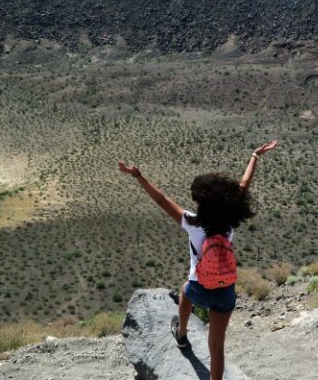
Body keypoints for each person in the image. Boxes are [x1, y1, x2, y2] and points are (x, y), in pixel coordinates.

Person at [118, 139, 278, 380]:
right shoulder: (229, 221)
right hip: (225, 291)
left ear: (202, 203)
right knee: (217, 347)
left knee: (185, 290)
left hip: (200, 289)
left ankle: (181, 334)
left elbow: (161, 200)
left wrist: (138, 175)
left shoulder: (193, 223)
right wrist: (254, 156)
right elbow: (243, 186)